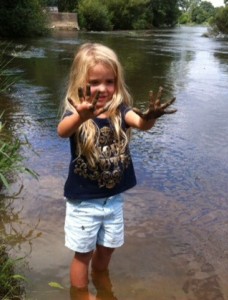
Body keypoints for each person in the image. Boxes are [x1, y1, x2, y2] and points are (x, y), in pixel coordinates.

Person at [57, 43, 176, 293]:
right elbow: (62, 131)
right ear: (81, 82)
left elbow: (141, 124)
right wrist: (82, 116)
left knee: (108, 247)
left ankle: (103, 285)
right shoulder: (76, 113)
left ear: (117, 82)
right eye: (95, 82)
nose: (103, 88)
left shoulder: (120, 111)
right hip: (84, 202)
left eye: (109, 81)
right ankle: (80, 294)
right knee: (83, 253)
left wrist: (150, 116)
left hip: (113, 200)